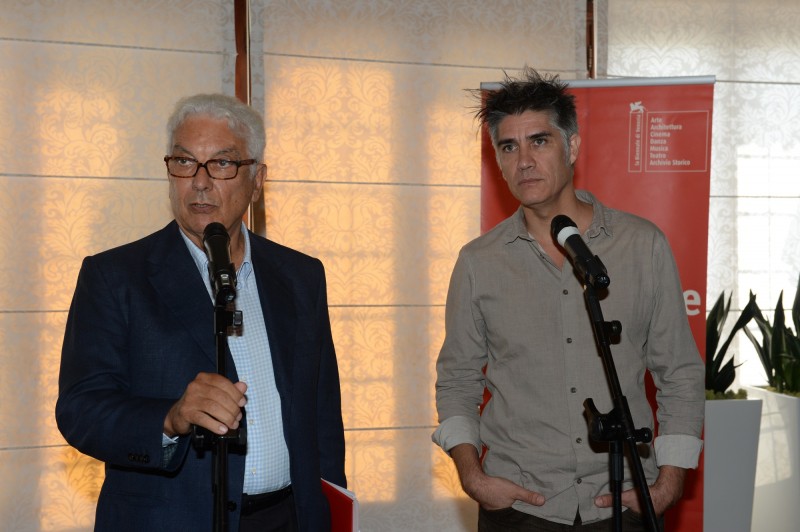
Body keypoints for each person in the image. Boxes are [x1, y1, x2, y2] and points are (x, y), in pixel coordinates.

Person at [56, 93, 346, 532]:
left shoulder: (301, 276)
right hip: (168, 521)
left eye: (223, 163)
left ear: (257, 178)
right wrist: (170, 418)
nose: (201, 182)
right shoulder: (115, 276)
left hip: (289, 518)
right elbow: (81, 411)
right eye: (185, 163)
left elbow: (323, 418)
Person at [432, 68, 704, 531]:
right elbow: (456, 379)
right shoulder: (478, 262)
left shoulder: (642, 245)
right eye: (508, 146)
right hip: (519, 506)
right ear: (496, 160)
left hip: (621, 502)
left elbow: (678, 372)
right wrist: (474, 477)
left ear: (572, 147)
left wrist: (668, 482)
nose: (524, 161)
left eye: (539, 141)